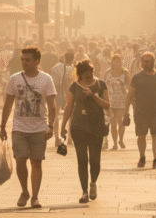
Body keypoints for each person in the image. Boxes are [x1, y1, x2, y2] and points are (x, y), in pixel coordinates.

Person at [0, 46, 57, 209]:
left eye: (28, 60)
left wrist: (51, 126)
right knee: (20, 160)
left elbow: (52, 105)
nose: (24, 62)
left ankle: (35, 197)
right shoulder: (14, 79)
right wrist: (3, 126)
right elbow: (8, 103)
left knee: (36, 163)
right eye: (22, 59)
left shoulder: (46, 79)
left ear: (36, 61)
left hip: (39, 128)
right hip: (19, 127)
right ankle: (25, 191)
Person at [59, 60, 110, 204]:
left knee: (95, 161)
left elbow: (107, 104)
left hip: (96, 127)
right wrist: (63, 126)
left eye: (91, 74)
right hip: (78, 127)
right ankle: (84, 192)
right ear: (79, 75)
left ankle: (93, 183)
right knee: (82, 160)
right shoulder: (74, 86)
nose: (90, 78)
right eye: (86, 76)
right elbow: (69, 106)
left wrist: (94, 95)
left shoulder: (100, 85)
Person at [124, 52, 156, 169]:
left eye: (148, 61)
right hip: (141, 111)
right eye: (143, 61)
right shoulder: (137, 77)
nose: (145, 64)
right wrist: (126, 111)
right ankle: (142, 157)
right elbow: (130, 95)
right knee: (141, 135)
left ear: (153, 62)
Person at [103, 54, 129, 150]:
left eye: (118, 61)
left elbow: (128, 83)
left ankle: (121, 139)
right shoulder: (107, 72)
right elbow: (104, 84)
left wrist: (122, 81)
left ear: (121, 62)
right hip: (111, 99)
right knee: (113, 123)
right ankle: (114, 143)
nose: (117, 63)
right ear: (112, 62)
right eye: (115, 61)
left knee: (121, 121)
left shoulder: (124, 72)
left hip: (121, 98)